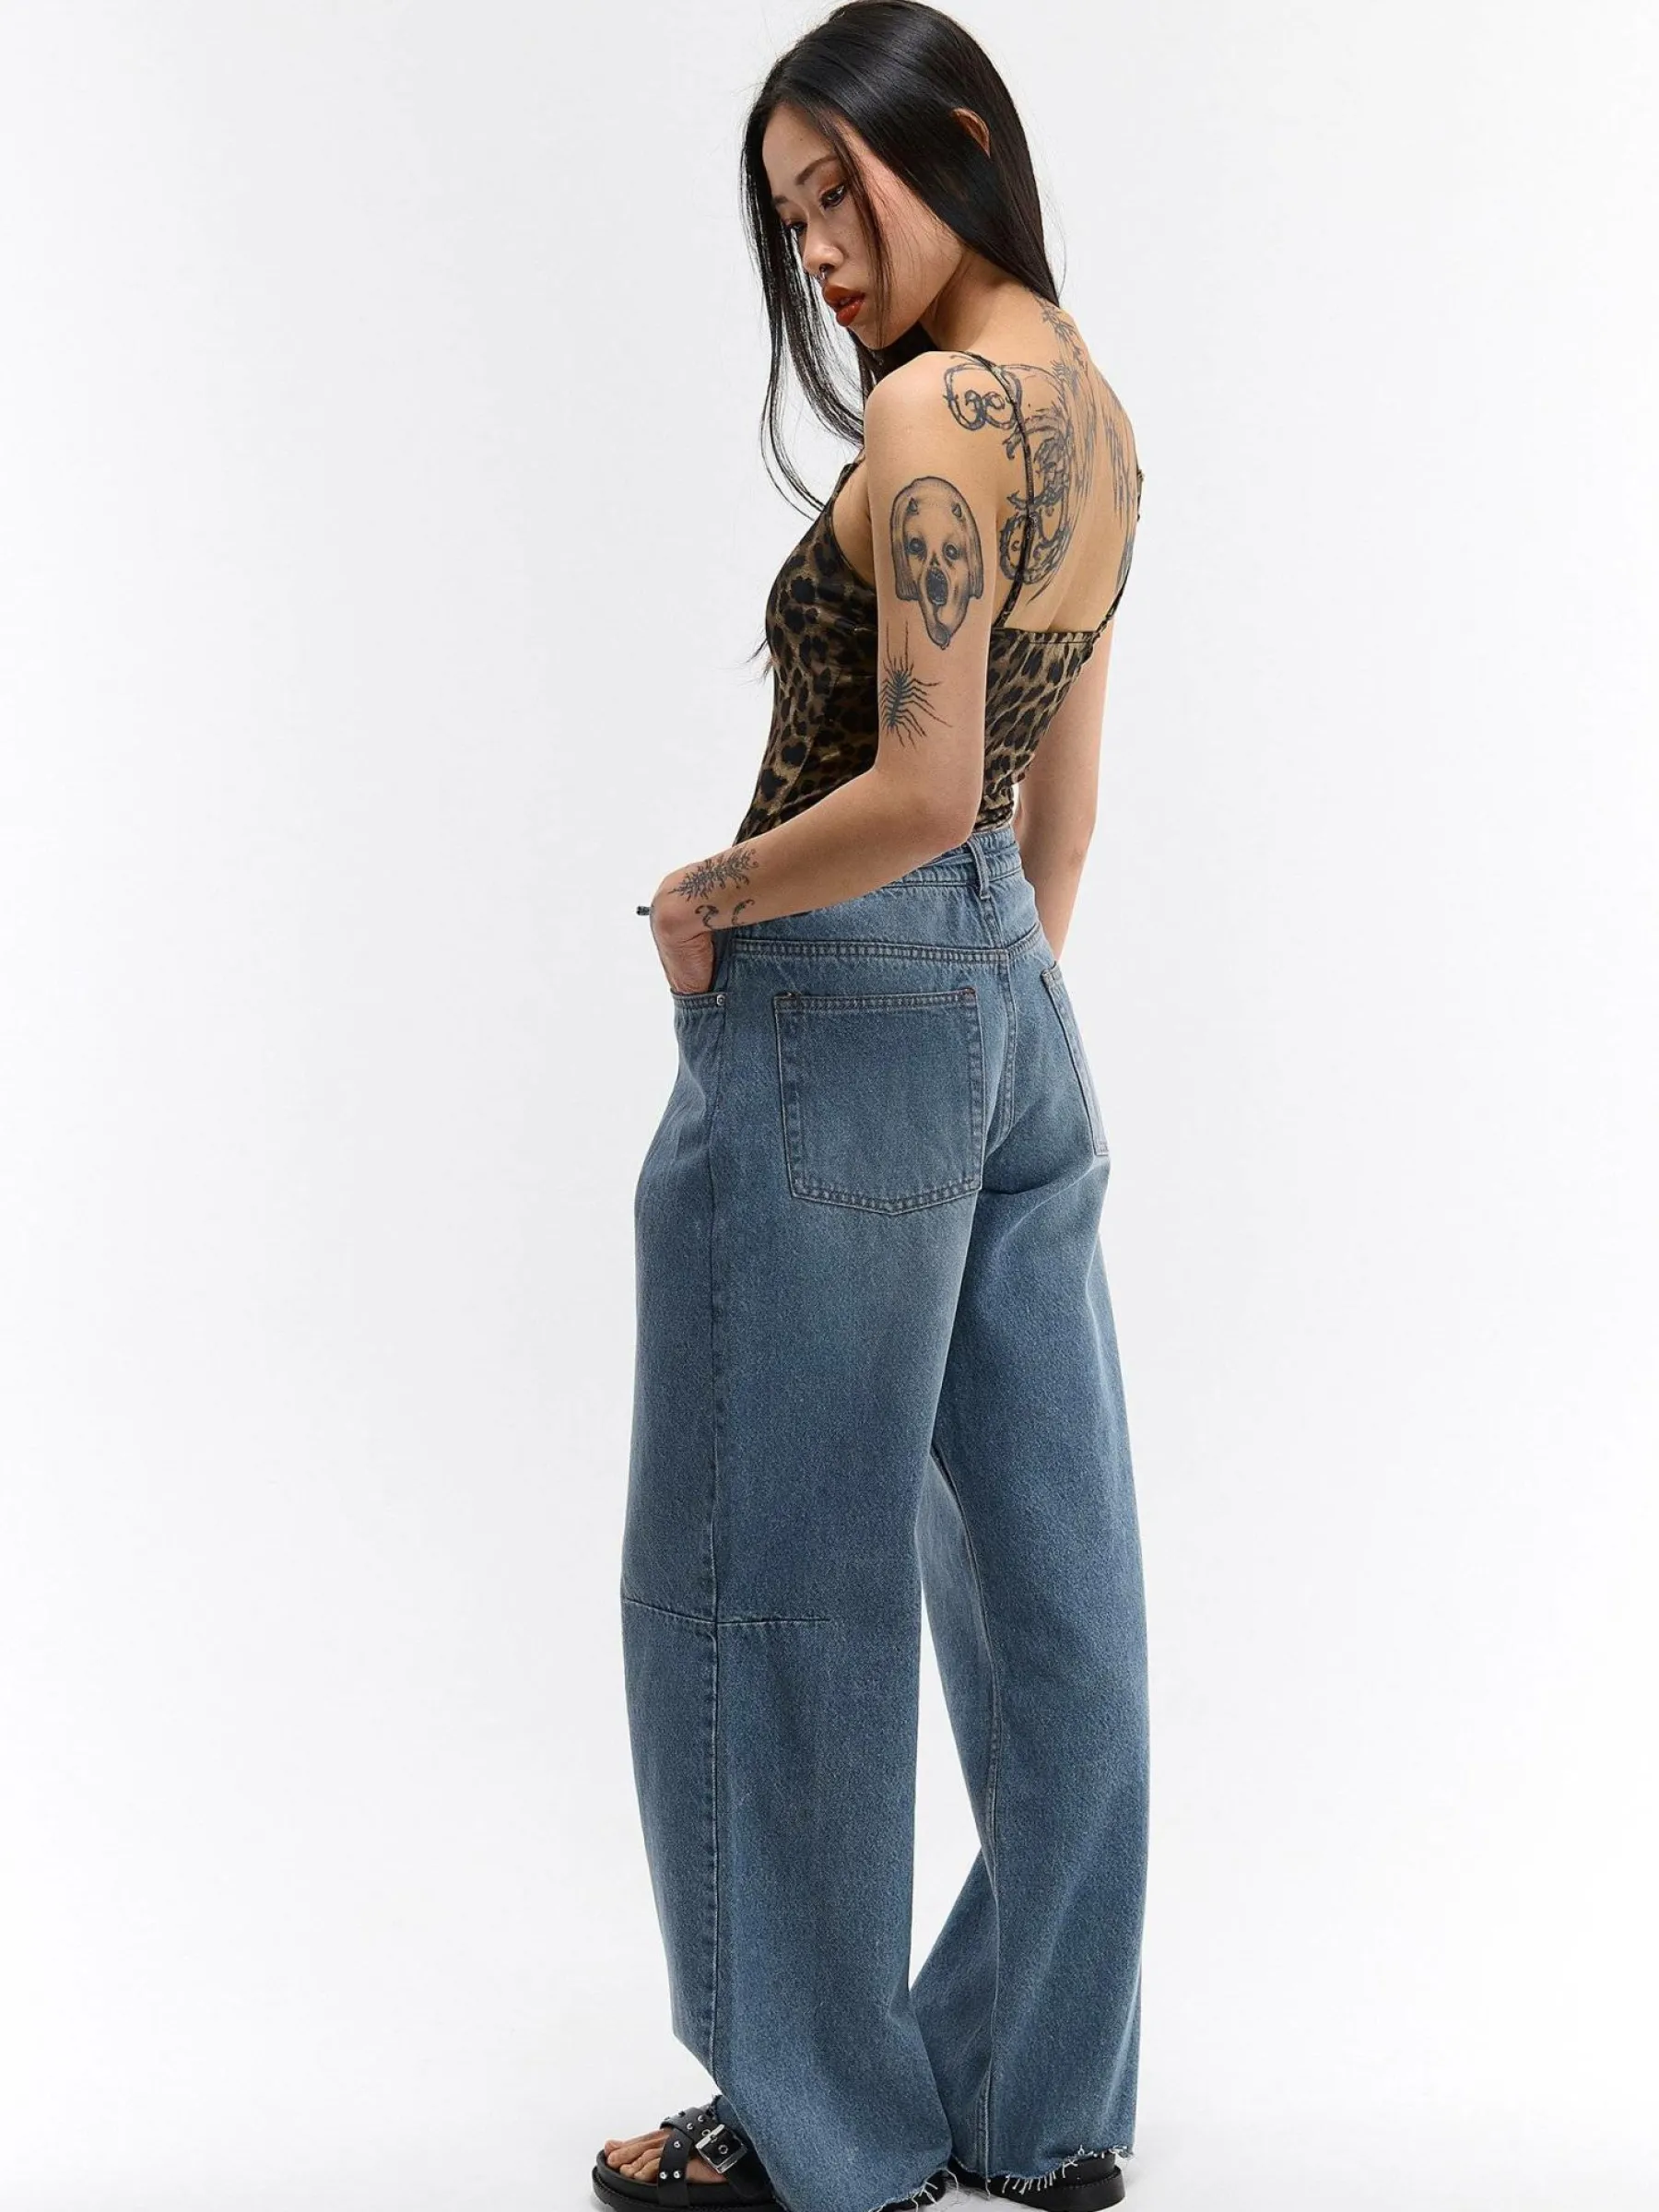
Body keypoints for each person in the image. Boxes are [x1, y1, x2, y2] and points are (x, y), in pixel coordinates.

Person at [595, 7, 1148, 2212]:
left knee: (761, 1577)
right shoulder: (1094, 413)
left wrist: (704, 898)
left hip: (842, 1002)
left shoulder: (928, 418)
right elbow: (1046, 812)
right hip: (1012, 999)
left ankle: (820, 2131)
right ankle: (1040, 2097)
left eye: (843, 187)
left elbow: (915, 785)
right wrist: (991, 1002)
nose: (820, 248)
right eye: (790, 213)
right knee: (1050, 1579)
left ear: (967, 135)